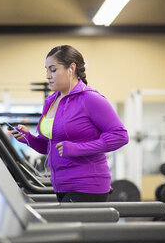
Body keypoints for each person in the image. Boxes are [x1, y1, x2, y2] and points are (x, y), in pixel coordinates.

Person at [9, 45, 129, 202]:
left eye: (53, 70)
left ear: (71, 68)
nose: (47, 76)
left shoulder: (90, 99)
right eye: (46, 70)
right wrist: (29, 138)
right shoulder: (51, 101)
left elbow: (120, 136)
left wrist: (77, 149)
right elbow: (50, 147)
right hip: (61, 185)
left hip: (87, 185)